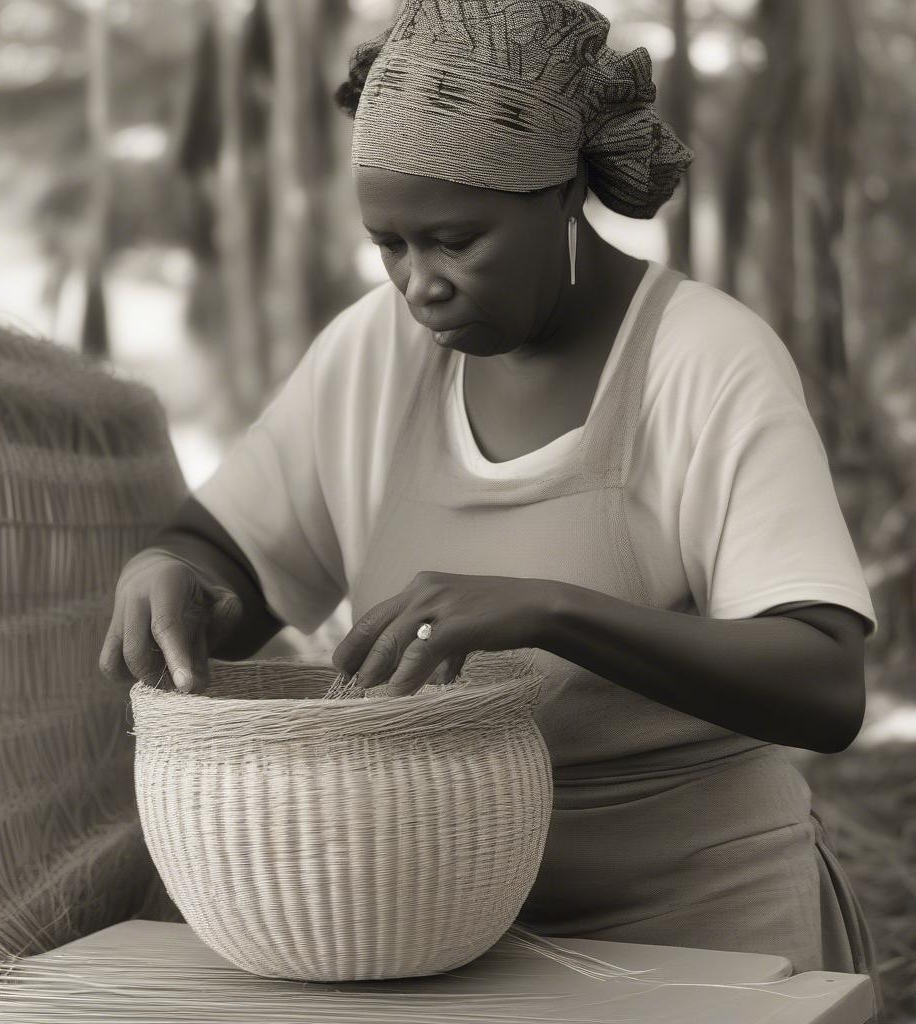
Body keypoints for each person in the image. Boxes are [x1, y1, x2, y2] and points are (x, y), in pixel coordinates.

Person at [99, 0, 883, 1013]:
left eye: (453, 242)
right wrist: (173, 576)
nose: (418, 284)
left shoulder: (702, 363)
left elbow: (822, 685)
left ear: (560, 197)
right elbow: (232, 560)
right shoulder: (375, 349)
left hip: (696, 945)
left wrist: (550, 610)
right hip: (424, 937)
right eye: (388, 244)